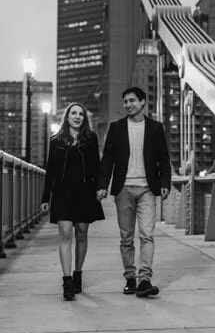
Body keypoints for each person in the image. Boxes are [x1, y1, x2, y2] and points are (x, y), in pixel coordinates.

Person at [98, 87, 172, 298]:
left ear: (142, 103)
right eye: (125, 101)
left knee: (147, 235)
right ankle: (130, 278)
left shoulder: (156, 128)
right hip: (123, 189)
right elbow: (108, 160)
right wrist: (103, 185)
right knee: (126, 238)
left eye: (132, 101)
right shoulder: (116, 128)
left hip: (148, 188)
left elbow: (163, 160)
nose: (128, 104)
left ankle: (144, 279)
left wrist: (165, 182)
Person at [40, 103, 106, 301]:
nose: (77, 117)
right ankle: (67, 281)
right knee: (65, 234)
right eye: (73, 113)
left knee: (82, 233)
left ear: (84, 118)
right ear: (66, 117)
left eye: (81, 114)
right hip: (62, 193)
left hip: (85, 192)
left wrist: (100, 187)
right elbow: (50, 171)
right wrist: (45, 198)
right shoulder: (56, 141)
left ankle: (78, 273)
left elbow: (96, 165)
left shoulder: (91, 139)